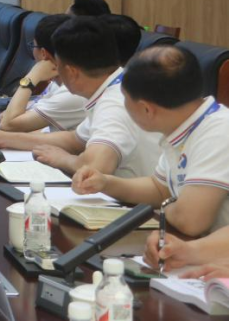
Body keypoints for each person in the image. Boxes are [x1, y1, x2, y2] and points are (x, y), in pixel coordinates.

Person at [69, 47, 229, 260]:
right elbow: (159, 189)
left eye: (125, 99)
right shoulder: (184, 127)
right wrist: (105, 182)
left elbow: (191, 221)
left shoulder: (218, 132)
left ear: (146, 109)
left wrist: (169, 206)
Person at [0, 17, 160, 179]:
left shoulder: (114, 103)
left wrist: (63, 159)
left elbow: (95, 168)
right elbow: (73, 140)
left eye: (58, 66)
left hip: (135, 207)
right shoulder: (116, 85)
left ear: (71, 72)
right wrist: (3, 138)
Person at [0, 14, 86, 133]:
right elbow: (15, 117)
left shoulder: (71, 93)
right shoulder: (59, 82)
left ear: (43, 53)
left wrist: (31, 77)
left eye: (33, 45)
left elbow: (7, 125)